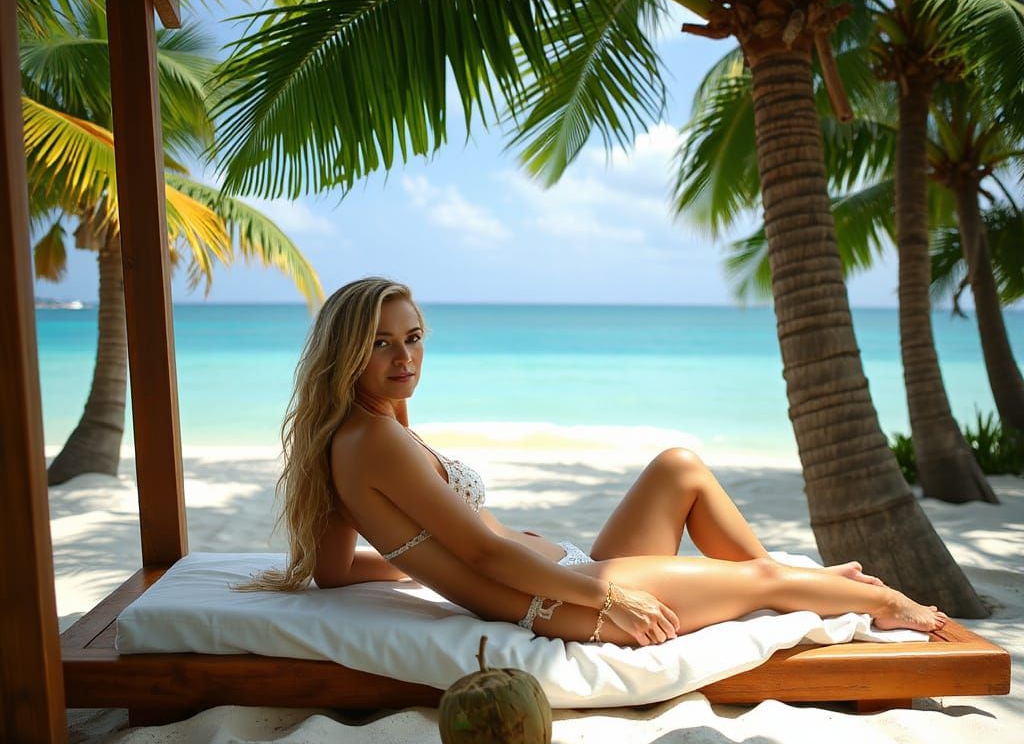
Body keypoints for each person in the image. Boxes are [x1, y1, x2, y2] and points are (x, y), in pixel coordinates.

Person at [247, 277, 947, 647]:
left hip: (568, 569)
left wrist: (417, 555)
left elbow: (336, 573)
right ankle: (882, 602)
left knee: (680, 468)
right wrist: (608, 596)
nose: (404, 359)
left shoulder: (363, 429)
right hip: (557, 600)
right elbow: (488, 556)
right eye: (380, 344)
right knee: (759, 577)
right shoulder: (375, 440)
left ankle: (788, 588)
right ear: (346, 352)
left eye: (414, 337)